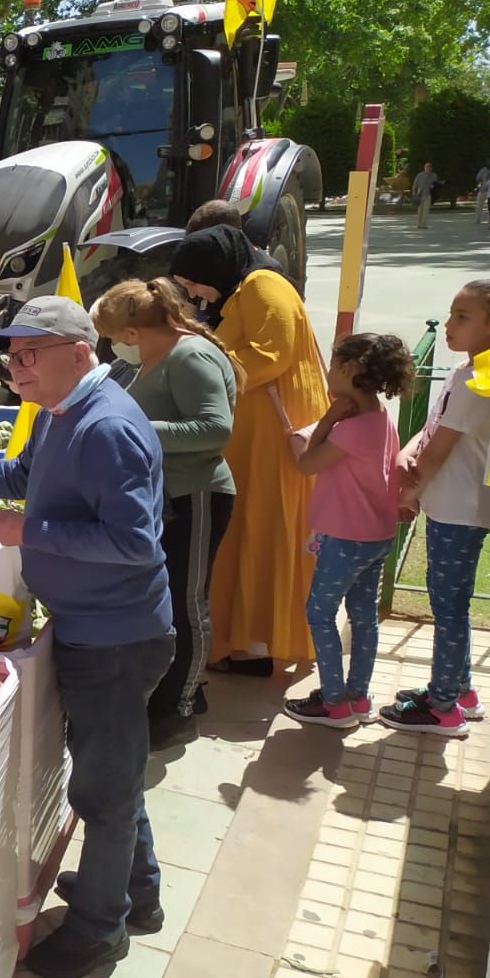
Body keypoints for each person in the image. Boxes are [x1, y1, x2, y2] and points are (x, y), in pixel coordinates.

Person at [0, 296, 173, 978]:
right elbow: (20, 478)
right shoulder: (60, 414)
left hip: (117, 635)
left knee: (102, 791)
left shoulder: (106, 428)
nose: (15, 370)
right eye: (10, 357)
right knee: (111, 770)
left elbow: (135, 543)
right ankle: (137, 893)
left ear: (80, 352)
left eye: (29, 355)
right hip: (87, 626)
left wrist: (32, 534)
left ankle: (99, 931)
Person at [171, 224, 327, 674]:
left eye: (193, 282)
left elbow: (270, 355)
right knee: (246, 530)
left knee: (263, 529)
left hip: (271, 439)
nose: (195, 293)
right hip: (255, 433)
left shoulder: (263, 285)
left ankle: (258, 645)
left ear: (212, 267)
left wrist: (201, 374)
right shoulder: (247, 286)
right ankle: (246, 639)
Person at [90, 278, 240, 743]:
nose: (114, 347)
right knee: (167, 601)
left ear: (133, 333)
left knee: (187, 603)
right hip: (168, 497)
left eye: (115, 338)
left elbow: (215, 428)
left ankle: (181, 708)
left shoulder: (188, 355)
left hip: (197, 494)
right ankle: (175, 691)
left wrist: (134, 428)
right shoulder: (157, 356)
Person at [381, 280, 490, 735]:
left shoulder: (482, 381)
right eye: (452, 313)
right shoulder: (467, 371)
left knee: (449, 606)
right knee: (449, 602)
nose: (452, 324)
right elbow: (434, 429)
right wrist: (407, 451)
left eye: (464, 317)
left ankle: (442, 708)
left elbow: (438, 452)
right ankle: (459, 689)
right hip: (451, 504)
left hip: (461, 509)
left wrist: (409, 489)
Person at [282, 334, 413, 729]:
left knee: (319, 613)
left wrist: (324, 420)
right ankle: (358, 695)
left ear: (349, 369)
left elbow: (305, 464)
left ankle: (335, 702)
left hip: (345, 538)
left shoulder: (350, 428)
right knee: (362, 615)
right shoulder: (380, 417)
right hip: (376, 534)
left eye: (332, 362)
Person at [412, 162, 440, 229]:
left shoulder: (434, 175)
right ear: (424, 168)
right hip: (420, 194)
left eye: (429, 167)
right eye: (426, 167)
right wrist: (413, 192)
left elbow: (436, 184)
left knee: (426, 210)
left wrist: (433, 186)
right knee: (420, 210)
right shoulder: (419, 175)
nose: (428, 168)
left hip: (428, 194)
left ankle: (424, 224)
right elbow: (415, 184)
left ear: (431, 168)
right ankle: (419, 224)